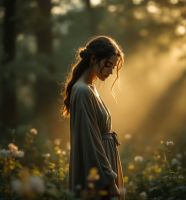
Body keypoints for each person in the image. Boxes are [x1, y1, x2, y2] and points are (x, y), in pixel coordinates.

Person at [62, 36, 125, 200]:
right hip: (100, 173)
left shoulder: (90, 88)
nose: (111, 71)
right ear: (93, 59)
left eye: (114, 67)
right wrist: (109, 182)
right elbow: (90, 141)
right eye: (108, 65)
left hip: (105, 166)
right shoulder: (83, 91)